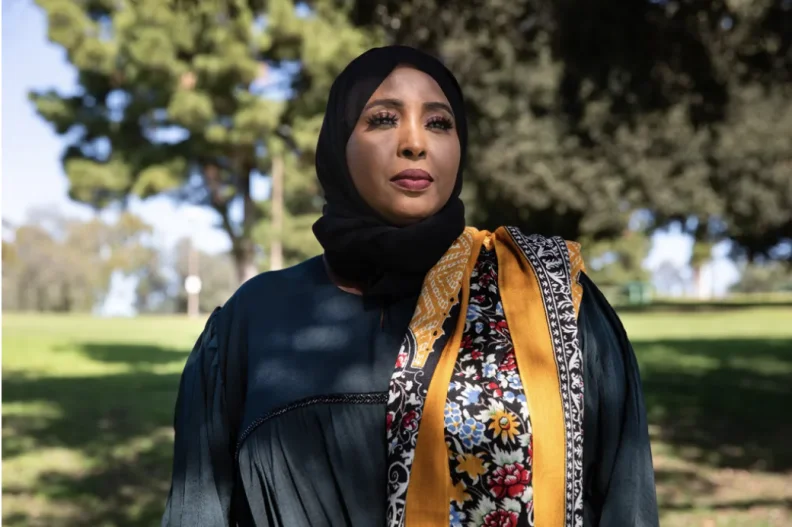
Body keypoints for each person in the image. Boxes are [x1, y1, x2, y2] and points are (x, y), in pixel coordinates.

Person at [161, 45, 659, 527]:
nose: (415, 143)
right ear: (338, 143)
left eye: (439, 123)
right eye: (382, 118)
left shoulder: (549, 300)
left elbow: (624, 501)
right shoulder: (255, 320)